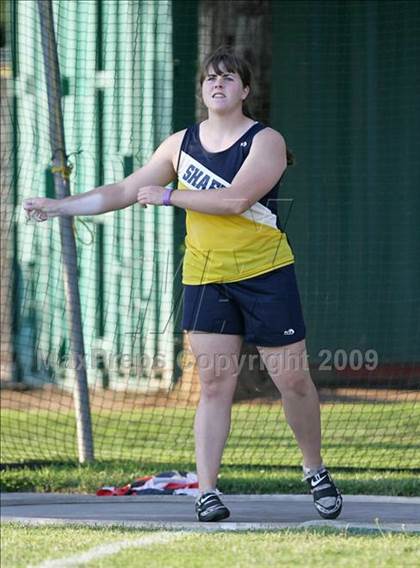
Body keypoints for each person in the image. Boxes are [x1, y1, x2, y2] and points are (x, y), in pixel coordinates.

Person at [23, 46, 342, 523]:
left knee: (292, 380)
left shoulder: (265, 141)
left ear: (245, 90)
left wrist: (171, 194)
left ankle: (314, 469)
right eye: (211, 78)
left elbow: (235, 200)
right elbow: (125, 191)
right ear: (201, 90)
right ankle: (207, 492)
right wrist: (58, 206)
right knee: (215, 383)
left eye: (229, 78)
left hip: (265, 275)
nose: (218, 84)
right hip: (206, 277)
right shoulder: (180, 144)